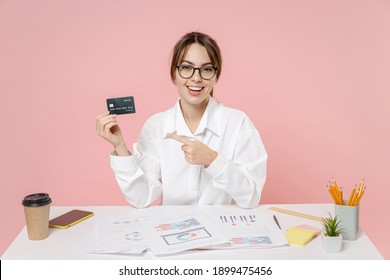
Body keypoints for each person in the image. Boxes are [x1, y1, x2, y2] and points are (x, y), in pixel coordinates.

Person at [96, 32, 267, 209]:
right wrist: (120, 147)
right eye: (186, 67)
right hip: (171, 230)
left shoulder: (238, 123)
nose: (196, 78)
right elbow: (141, 198)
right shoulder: (156, 126)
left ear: (216, 76)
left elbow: (251, 197)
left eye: (207, 69)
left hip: (222, 231)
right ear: (174, 75)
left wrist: (212, 160)